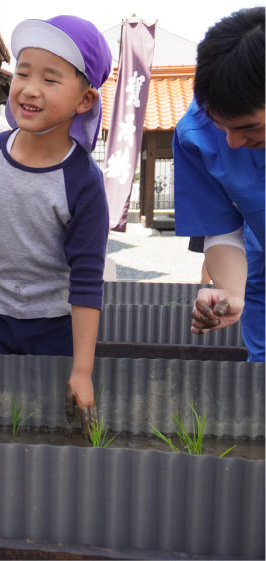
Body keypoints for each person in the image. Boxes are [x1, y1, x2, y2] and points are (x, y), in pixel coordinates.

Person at [0, 15, 112, 439]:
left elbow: (87, 279)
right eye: (23, 72)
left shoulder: (83, 181)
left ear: (85, 99)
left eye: (50, 79)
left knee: (45, 429)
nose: (30, 88)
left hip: (53, 324)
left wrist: (82, 369)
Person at [173, 7, 264, 362]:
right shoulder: (195, 135)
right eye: (221, 125)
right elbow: (222, 228)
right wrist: (230, 291)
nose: (232, 143)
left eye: (248, 127)